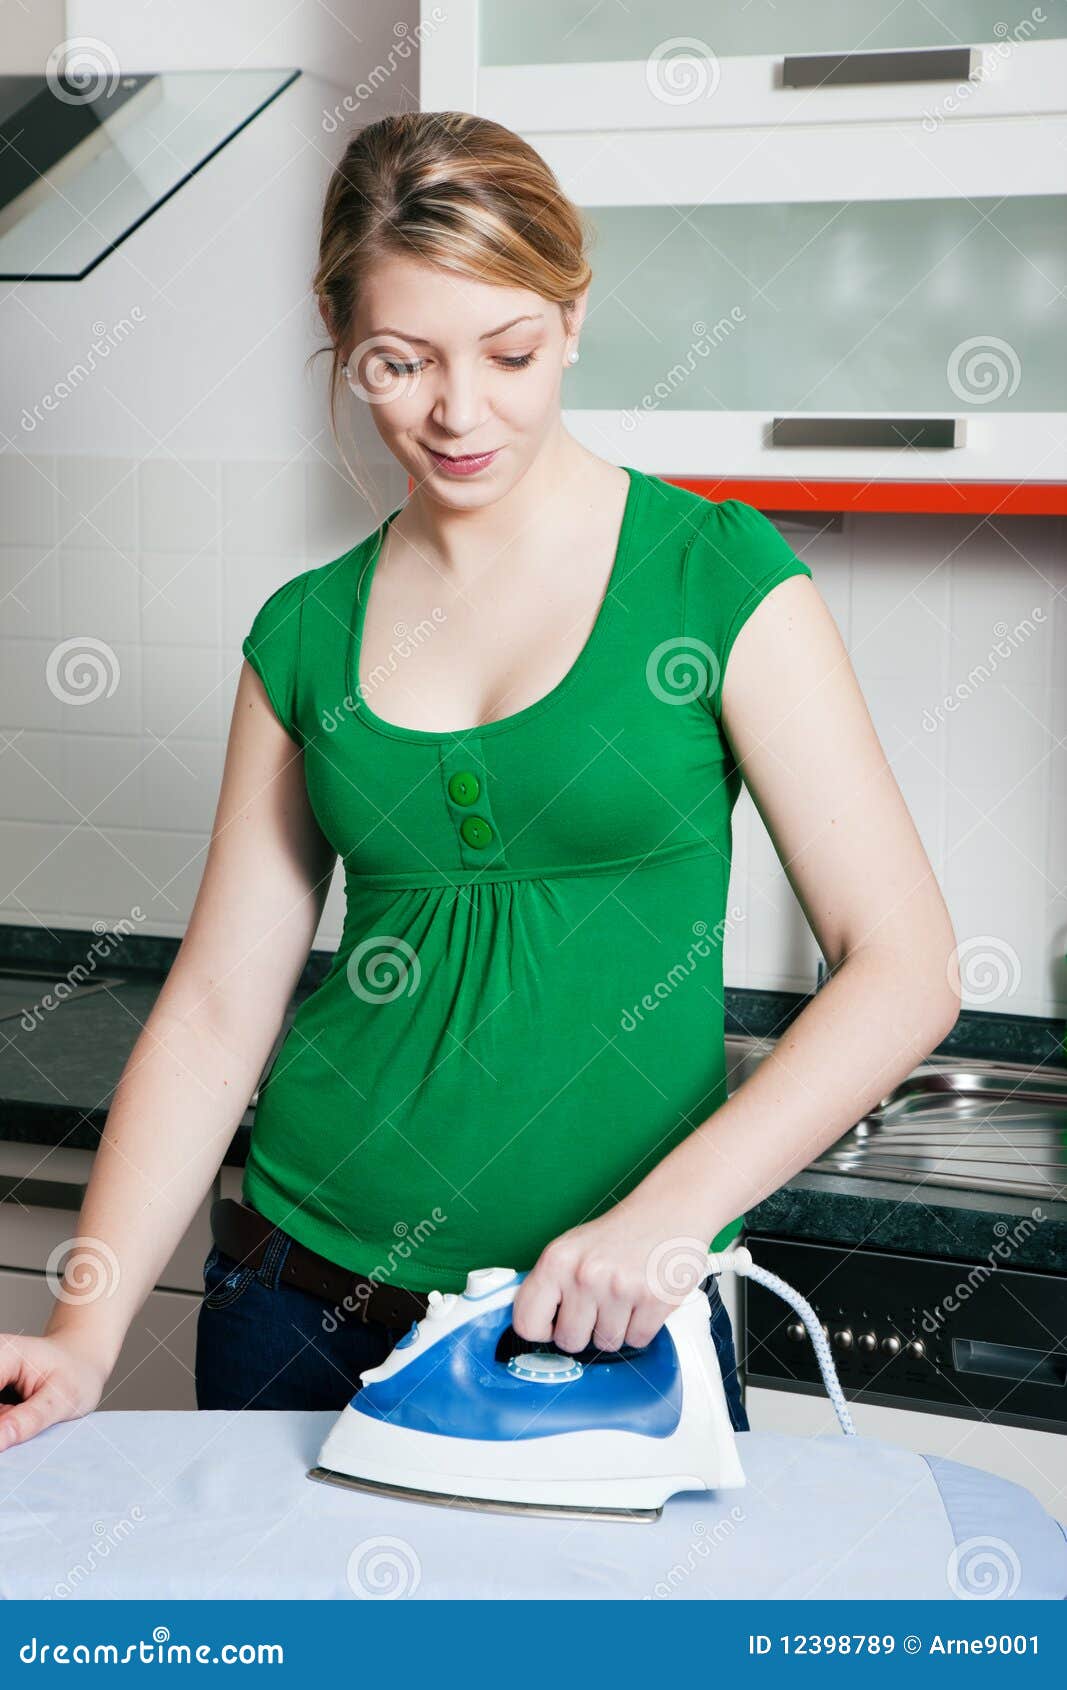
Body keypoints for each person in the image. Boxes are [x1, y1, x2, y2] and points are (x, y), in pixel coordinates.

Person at [0, 112, 959, 1451]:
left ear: (572, 318)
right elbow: (216, 1011)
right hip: (296, 1300)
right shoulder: (304, 635)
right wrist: (85, 1331)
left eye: (507, 353)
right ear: (341, 343)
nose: (458, 412)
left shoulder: (715, 578)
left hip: (614, 1325)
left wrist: (668, 1217)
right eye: (401, 362)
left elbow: (905, 967)